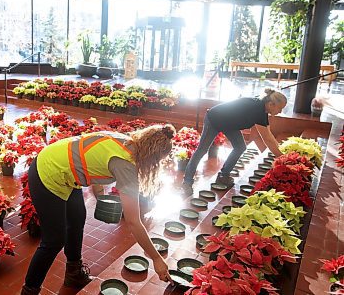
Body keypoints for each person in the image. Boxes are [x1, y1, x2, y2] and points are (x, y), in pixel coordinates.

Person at [21, 124, 176, 294]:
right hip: (48, 172)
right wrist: (156, 259)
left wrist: (100, 195)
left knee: (77, 218)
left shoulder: (126, 142)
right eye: (158, 162)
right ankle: (30, 290)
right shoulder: (126, 164)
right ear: (151, 157)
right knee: (54, 240)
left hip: (62, 167)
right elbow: (133, 221)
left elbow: (92, 159)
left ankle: (74, 273)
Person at [182, 88, 287, 190]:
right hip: (214, 119)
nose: (281, 111)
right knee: (202, 150)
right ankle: (187, 181)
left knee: (240, 147)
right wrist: (283, 158)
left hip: (229, 123)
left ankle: (223, 175)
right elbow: (267, 139)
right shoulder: (258, 109)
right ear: (271, 104)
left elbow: (269, 135)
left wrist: (282, 153)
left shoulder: (262, 109)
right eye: (280, 108)